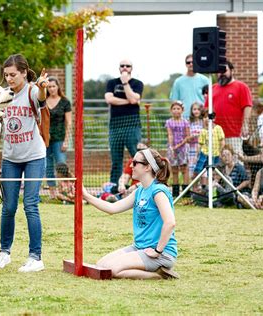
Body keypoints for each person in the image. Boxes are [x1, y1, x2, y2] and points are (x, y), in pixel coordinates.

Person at [0, 54, 48, 273]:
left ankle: (36, 256)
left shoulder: (32, 90)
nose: (9, 79)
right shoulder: (3, 96)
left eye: (13, 74)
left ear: (24, 72)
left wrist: (42, 86)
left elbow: (41, 97)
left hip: (34, 156)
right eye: (6, 75)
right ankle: (4, 252)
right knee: (9, 206)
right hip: (10, 158)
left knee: (30, 205)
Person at [82, 148, 178, 280]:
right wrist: (86, 196)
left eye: (135, 162)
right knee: (102, 266)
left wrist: (158, 251)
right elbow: (113, 208)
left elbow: (170, 222)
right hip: (140, 248)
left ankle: (159, 275)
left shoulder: (158, 191)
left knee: (113, 270)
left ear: (147, 167)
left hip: (161, 253)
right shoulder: (139, 191)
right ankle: (155, 270)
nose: (131, 166)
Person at [105, 59, 144, 185]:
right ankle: (115, 186)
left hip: (132, 125)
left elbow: (135, 98)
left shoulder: (137, 83)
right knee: (116, 158)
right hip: (115, 126)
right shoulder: (112, 83)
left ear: (132, 68)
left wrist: (125, 83)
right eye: (122, 66)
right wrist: (129, 101)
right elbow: (109, 99)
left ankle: (139, 183)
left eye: (128, 66)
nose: (125, 68)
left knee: (137, 155)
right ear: (119, 68)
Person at [208, 61, 252, 160]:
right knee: (218, 165)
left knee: (236, 163)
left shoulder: (241, 87)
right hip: (216, 136)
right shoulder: (212, 88)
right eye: (219, 71)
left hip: (234, 134)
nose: (221, 73)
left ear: (232, 71)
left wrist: (245, 125)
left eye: (224, 70)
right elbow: (207, 109)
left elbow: (247, 106)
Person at [45, 76, 72, 199]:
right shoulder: (43, 101)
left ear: (58, 87)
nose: (51, 89)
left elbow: (69, 123)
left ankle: (65, 190)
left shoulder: (65, 102)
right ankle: (52, 193)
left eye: (53, 86)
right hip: (45, 139)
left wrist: (66, 141)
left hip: (59, 139)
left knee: (61, 164)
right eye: (49, 87)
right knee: (48, 166)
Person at [193, 108, 225, 189]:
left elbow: (222, 141)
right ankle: (195, 189)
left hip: (215, 154)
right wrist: (196, 155)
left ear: (214, 118)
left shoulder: (218, 128)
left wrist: (220, 152)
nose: (207, 119)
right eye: (205, 117)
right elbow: (200, 144)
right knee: (198, 171)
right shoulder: (203, 131)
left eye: (209, 117)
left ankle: (209, 188)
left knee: (212, 172)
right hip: (204, 154)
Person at [170, 54, 210, 119]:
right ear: (185, 64)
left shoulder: (205, 80)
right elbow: (174, 101)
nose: (191, 64)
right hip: (185, 119)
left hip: (201, 118)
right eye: (188, 62)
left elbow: (210, 99)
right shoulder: (178, 82)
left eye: (193, 62)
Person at [165, 101, 190, 197]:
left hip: (183, 148)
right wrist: (172, 147)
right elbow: (170, 134)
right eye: (174, 109)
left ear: (182, 110)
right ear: (171, 110)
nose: (176, 111)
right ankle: (175, 193)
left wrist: (179, 145)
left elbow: (187, 136)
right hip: (173, 149)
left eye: (178, 109)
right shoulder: (169, 122)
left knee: (184, 169)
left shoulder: (185, 122)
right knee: (174, 169)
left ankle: (186, 193)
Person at [188, 103, 204, 178]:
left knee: (201, 166)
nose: (196, 111)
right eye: (194, 109)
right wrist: (192, 136)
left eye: (198, 109)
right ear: (191, 111)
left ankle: (202, 186)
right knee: (192, 167)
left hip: (202, 148)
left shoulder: (203, 122)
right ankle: (194, 187)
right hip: (192, 148)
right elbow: (187, 137)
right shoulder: (189, 123)